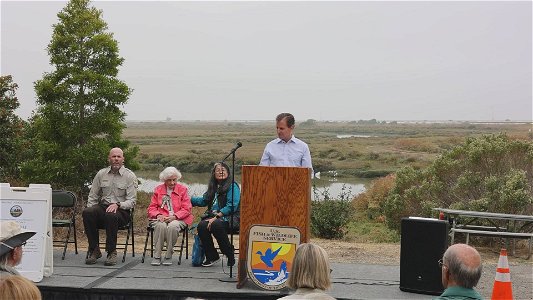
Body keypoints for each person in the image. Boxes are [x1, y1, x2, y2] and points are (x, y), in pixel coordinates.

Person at [82, 147, 138, 266]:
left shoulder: (129, 176)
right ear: (109, 159)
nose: (116, 159)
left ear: (123, 159)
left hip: (122, 210)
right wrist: (92, 213)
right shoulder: (101, 174)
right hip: (104, 207)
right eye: (114, 156)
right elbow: (93, 195)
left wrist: (118, 205)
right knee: (88, 212)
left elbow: (132, 201)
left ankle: (111, 252)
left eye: (119, 157)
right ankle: (94, 249)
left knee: (111, 215)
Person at [191, 162, 240, 267]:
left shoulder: (232, 186)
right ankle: (212, 256)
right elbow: (204, 200)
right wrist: (187, 199)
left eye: (223, 169)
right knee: (202, 226)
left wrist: (217, 216)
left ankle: (228, 253)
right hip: (215, 218)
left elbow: (232, 205)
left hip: (231, 217)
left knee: (215, 224)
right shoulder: (214, 187)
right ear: (213, 173)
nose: (220, 171)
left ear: (228, 172)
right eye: (218, 170)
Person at [147, 167, 193, 266]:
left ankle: (168, 255)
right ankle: (157, 255)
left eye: (174, 180)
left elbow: (187, 209)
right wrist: (158, 215)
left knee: (173, 226)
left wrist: (175, 216)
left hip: (179, 218)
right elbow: (151, 208)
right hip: (161, 218)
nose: (172, 183)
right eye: (169, 180)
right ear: (164, 180)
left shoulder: (183, 189)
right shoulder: (158, 190)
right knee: (161, 225)